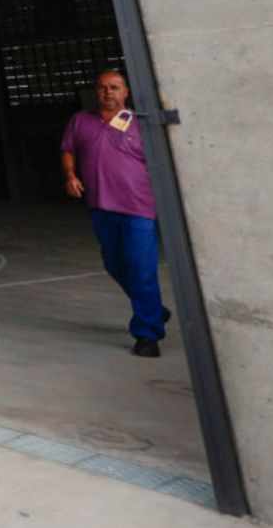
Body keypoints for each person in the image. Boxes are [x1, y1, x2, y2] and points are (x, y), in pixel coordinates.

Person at [61, 69, 171, 357]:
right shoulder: (80, 121)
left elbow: (162, 163)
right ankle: (155, 310)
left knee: (141, 267)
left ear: (126, 92)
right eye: (102, 88)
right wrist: (70, 174)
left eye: (114, 87)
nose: (107, 92)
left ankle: (148, 335)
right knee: (114, 264)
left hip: (138, 208)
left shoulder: (140, 125)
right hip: (100, 206)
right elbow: (68, 149)